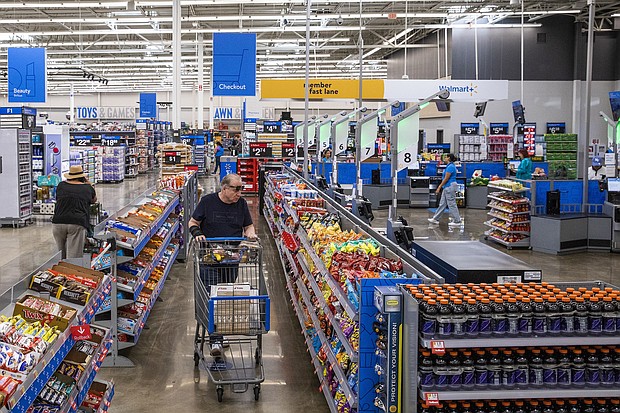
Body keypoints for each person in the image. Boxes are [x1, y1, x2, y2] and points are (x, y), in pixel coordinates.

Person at [188, 173, 256, 357]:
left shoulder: (241, 204)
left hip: (231, 260)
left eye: (241, 189)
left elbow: (248, 226)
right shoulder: (208, 202)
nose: (239, 193)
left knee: (225, 296)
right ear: (224, 188)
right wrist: (197, 234)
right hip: (209, 258)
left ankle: (220, 331)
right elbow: (192, 223)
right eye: (236, 189)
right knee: (213, 296)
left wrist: (250, 234)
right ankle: (215, 338)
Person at [51, 165, 97, 259]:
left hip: (58, 222)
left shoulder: (61, 185)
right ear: (82, 177)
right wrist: (89, 183)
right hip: (77, 223)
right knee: (73, 256)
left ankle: (60, 272)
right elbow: (94, 200)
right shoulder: (87, 188)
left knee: (60, 254)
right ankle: (70, 271)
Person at [428, 153, 462, 227]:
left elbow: (446, 179)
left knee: (451, 204)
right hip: (447, 187)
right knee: (442, 204)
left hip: (449, 187)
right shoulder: (449, 166)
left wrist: (439, 187)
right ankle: (435, 218)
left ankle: (457, 221)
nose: (445, 158)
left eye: (446, 157)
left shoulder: (451, 167)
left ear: (449, 158)